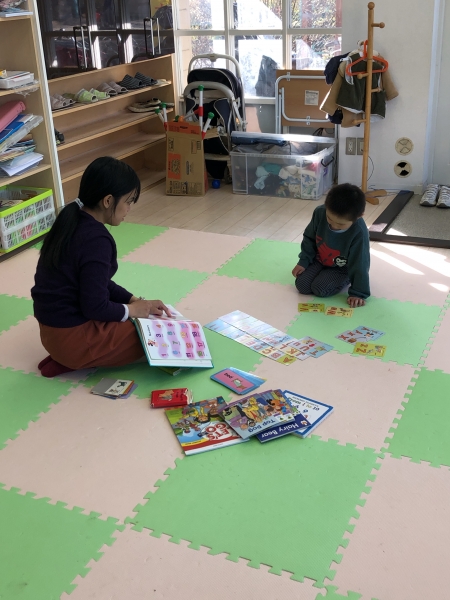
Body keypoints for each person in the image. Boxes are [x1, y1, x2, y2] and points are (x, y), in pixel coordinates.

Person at [31, 156, 171, 378]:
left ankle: (69, 358)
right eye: (128, 201)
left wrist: (134, 300)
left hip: (51, 334)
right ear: (108, 201)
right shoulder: (97, 240)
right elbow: (95, 306)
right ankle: (76, 359)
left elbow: (99, 283)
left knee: (132, 319)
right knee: (155, 336)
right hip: (72, 340)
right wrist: (133, 311)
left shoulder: (71, 220)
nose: (129, 209)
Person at [291, 183, 370, 307]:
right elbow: (309, 238)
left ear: (359, 216)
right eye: (329, 219)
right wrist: (303, 261)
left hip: (341, 267)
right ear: (326, 206)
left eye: (341, 224)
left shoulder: (359, 231)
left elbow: (360, 262)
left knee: (320, 289)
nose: (334, 226)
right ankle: (323, 273)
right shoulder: (320, 212)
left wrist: (358, 292)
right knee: (302, 285)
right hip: (320, 259)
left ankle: (347, 277)